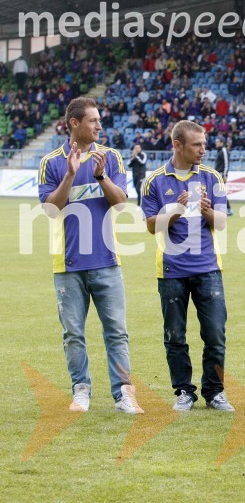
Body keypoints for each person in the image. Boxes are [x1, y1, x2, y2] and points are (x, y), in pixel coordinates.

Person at [37, 97, 143, 414]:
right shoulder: (52, 163)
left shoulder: (110, 158)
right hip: (67, 265)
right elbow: (50, 209)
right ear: (74, 123)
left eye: (99, 120)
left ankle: (124, 394)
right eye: (93, 120)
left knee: (116, 332)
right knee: (73, 335)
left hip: (108, 262)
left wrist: (100, 176)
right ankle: (81, 391)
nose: (99, 125)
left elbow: (122, 202)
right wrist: (70, 174)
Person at [140, 121, 233, 411]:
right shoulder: (155, 180)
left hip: (207, 267)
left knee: (215, 333)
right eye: (197, 145)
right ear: (178, 145)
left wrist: (207, 212)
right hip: (171, 270)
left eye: (204, 144)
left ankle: (215, 392)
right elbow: (151, 226)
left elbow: (222, 222)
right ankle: (184, 391)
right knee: (175, 335)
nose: (203, 149)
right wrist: (176, 211)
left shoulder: (212, 177)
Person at [214, 135, 232, 216]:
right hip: (218, 174)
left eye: (217, 142)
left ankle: (228, 209)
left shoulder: (224, 150)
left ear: (222, 142)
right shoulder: (219, 151)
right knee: (219, 192)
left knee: (220, 192)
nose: (216, 143)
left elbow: (226, 164)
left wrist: (225, 175)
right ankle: (225, 208)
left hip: (221, 174)